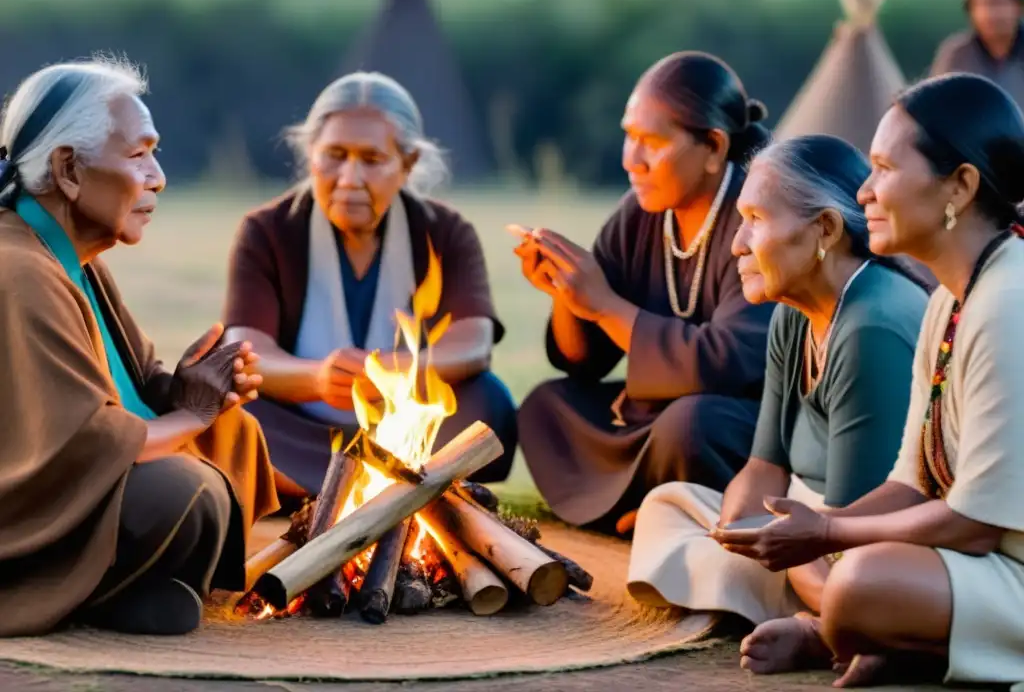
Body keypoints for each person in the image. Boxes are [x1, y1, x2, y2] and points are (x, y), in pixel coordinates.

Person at [710, 73, 1024, 688]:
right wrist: (822, 538)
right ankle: (890, 640)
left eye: (883, 168)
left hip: (1003, 563)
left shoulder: (1008, 302)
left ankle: (846, 634)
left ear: (959, 185)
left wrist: (829, 532)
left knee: (855, 584)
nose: (865, 191)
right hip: (975, 557)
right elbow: (911, 482)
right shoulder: (951, 301)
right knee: (847, 571)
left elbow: (976, 523)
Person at [0, 58, 279, 638]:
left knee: (236, 435)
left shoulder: (71, 258)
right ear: (69, 169)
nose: (158, 176)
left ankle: (125, 586)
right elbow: (86, 441)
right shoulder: (20, 269)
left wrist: (191, 388)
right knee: (187, 491)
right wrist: (192, 412)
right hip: (24, 515)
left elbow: (130, 383)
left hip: (87, 479)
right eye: (138, 155)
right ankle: (75, 591)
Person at [627, 135, 929, 636]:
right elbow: (764, 465)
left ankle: (824, 620)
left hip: (862, 544)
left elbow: (854, 533)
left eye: (756, 220)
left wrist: (779, 549)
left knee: (840, 581)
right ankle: (767, 593)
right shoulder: (794, 310)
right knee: (667, 506)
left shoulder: (869, 328)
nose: (736, 243)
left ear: (825, 230)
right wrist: (735, 533)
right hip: (799, 528)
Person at [513, 52, 777, 533]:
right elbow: (584, 362)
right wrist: (566, 291)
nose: (630, 159)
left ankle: (677, 510)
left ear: (714, 147)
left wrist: (606, 305)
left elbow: (729, 362)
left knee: (690, 427)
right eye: (628, 136)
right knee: (546, 407)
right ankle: (649, 506)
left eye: (650, 142)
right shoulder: (639, 212)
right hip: (648, 416)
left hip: (740, 422)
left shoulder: (755, 218)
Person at [223, 71, 517, 498]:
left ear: (408, 164)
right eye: (335, 155)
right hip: (302, 427)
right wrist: (319, 379)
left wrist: (389, 373)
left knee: (488, 403)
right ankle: (407, 488)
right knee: (231, 410)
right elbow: (250, 355)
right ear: (310, 154)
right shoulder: (266, 231)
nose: (349, 178)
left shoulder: (446, 231)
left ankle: (319, 487)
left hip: (410, 423)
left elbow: (473, 347)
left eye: (372, 159)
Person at [930, 0, 1024, 110]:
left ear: (1017, 6)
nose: (990, 13)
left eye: (998, 2)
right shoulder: (956, 56)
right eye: (981, 4)